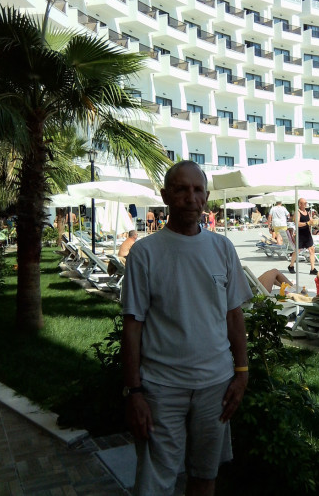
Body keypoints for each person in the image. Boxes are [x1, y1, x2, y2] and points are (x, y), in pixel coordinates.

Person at [121, 161, 253, 496]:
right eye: (181, 189)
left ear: (206, 197)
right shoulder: (145, 253)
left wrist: (241, 373)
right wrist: (134, 392)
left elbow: (234, 316)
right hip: (161, 389)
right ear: (165, 195)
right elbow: (133, 326)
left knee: (205, 476)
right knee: (154, 484)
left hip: (216, 386)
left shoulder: (222, 248)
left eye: (197, 190)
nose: (190, 198)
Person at [288, 197, 317, 275]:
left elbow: (310, 221)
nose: (305, 204)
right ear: (300, 204)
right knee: (297, 251)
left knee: (312, 250)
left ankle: (312, 269)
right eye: (304, 203)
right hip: (300, 234)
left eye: (306, 203)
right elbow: (297, 224)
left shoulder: (307, 212)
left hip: (307, 234)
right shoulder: (297, 213)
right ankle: (291, 266)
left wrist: (313, 223)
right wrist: (307, 223)